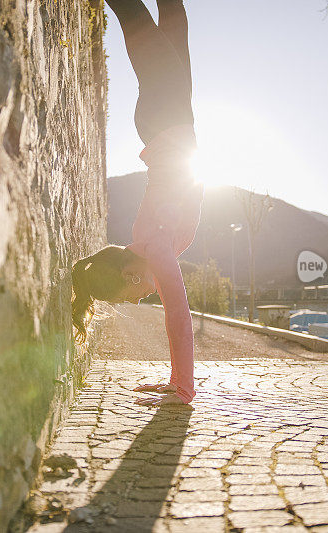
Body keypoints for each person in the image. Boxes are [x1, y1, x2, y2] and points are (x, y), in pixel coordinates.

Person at [72, 0, 202, 406]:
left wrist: (183, 391)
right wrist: (175, 381)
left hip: (167, 118)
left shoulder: (154, 247)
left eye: (132, 296)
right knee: (174, 18)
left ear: (128, 275)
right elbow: (176, 316)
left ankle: (180, 384)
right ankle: (177, 382)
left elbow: (178, 319)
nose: (140, 297)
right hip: (168, 119)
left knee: (135, 19)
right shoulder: (150, 246)